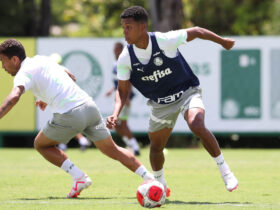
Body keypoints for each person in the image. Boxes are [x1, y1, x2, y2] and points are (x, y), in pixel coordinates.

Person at [106, 6, 238, 197]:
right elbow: (122, 90)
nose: (124, 32)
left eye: (129, 27)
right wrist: (115, 113)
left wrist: (222, 42)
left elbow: (197, 31)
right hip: (160, 105)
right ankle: (159, 183)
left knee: (196, 124)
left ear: (142, 27)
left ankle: (225, 171)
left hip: (187, 93)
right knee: (156, 147)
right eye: (123, 27)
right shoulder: (125, 57)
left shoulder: (162, 40)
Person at [0, 39, 154, 198]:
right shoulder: (41, 59)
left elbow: (14, 98)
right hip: (90, 107)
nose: (3, 66)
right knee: (113, 149)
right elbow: (70, 75)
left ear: (15, 59)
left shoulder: (23, 73)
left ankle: (79, 177)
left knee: (40, 145)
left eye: (3, 61)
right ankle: (151, 179)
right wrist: (47, 98)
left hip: (70, 114)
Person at [48, 53, 92, 151]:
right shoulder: (63, 70)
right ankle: (80, 141)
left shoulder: (54, 71)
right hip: (67, 101)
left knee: (61, 122)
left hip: (61, 102)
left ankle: (64, 144)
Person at [105, 42, 140, 156]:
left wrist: (127, 97)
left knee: (122, 124)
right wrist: (111, 90)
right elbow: (119, 81)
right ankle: (131, 145)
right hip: (118, 96)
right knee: (117, 125)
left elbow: (128, 81)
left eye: (117, 49)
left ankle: (135, 147)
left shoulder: (123, 61)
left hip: (123, 97)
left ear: (121, 50)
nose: (114, 51)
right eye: (114, 49)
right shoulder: (116, 63)